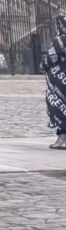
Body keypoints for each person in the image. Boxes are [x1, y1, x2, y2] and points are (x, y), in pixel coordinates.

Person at [45, 14, 66, 149]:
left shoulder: (58, 41)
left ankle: (61, 138)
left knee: (58, 108)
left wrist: (43, 65)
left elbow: (50, 59)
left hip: (59, 82)